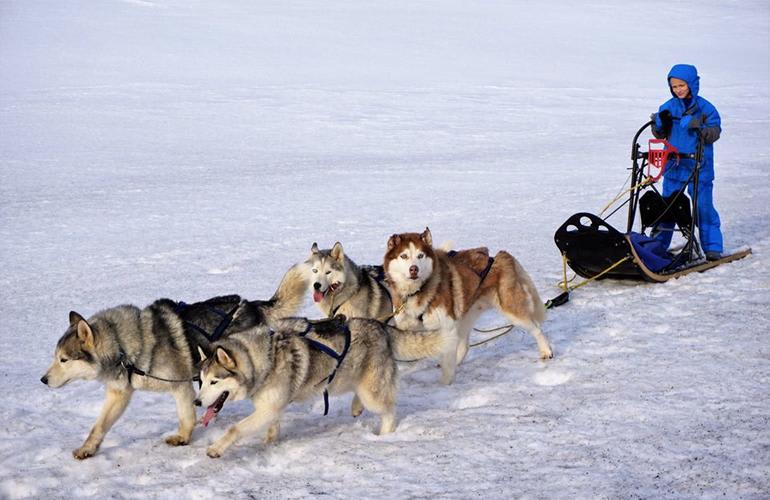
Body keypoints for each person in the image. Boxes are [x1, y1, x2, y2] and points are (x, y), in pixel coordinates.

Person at [650, 64, 724, 261]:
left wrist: (698, 125)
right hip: (673, 167)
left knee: (703, 207)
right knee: (667, 207)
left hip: (699, 167)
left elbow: (714, 133)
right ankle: (657, 247)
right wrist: (658, 125)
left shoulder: (706, 108)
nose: (678, 90)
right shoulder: (667, 107)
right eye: (674, 87)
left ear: (692, 84)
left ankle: (712, 247)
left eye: (682, 85)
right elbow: (661, 134)